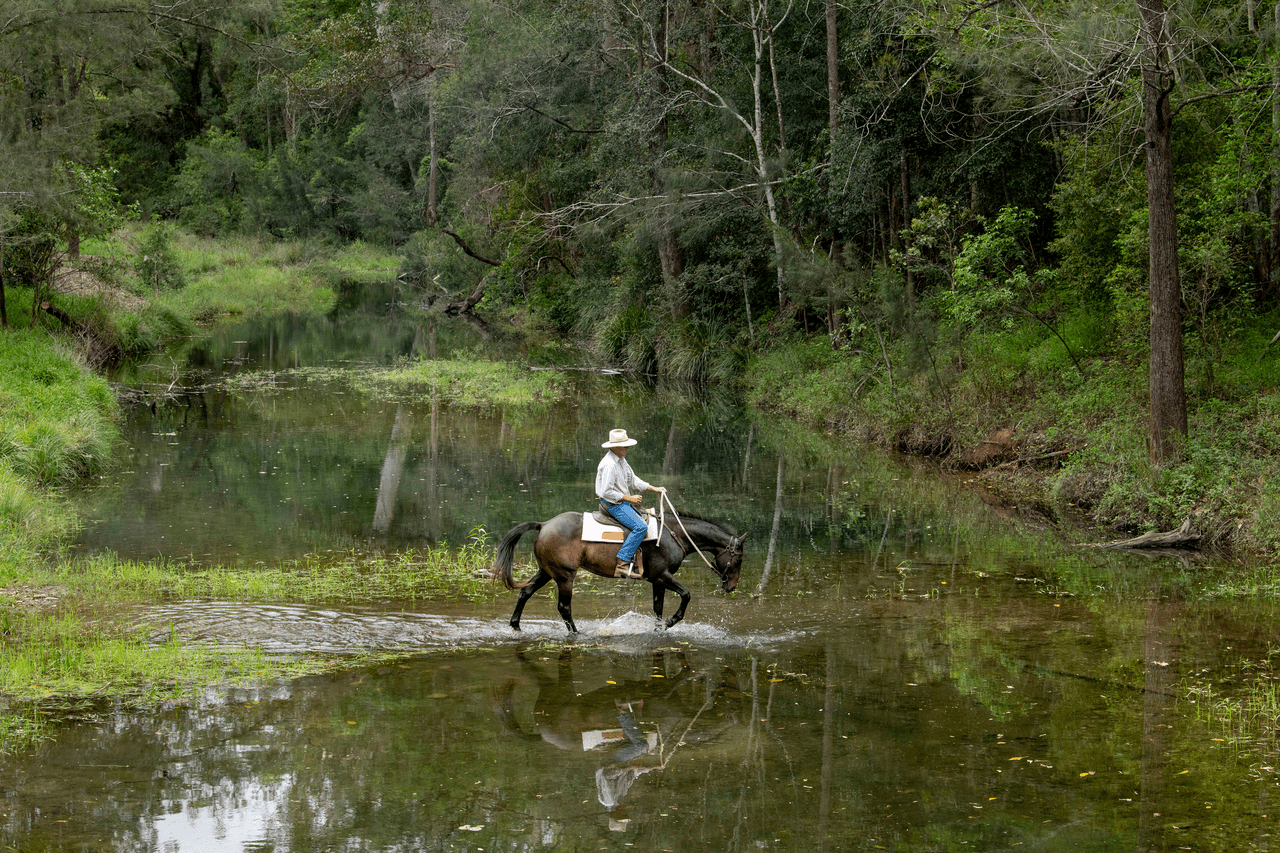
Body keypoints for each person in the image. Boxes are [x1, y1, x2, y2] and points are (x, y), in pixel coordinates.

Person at [596, 429, 667, 579]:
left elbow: (633, 480)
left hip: (621, 502)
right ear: (614, 447)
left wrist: (654, 489)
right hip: (613, 504)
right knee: (641, 527)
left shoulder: (621, 460)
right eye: (624, 446)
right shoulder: (610, 465)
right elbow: (606, 492)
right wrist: (629, 499)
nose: (627, 448)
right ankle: (622, 563)